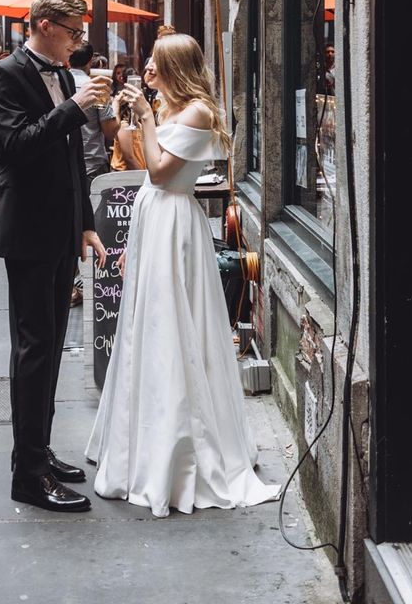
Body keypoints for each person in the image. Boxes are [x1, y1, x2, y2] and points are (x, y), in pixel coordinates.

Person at [86, 34, 280, 517]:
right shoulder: (170, 108)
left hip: (174, 223)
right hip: (154, 221)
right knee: (146, 329)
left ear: (174, 67)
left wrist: (147, 119)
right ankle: (141, 441)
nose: (146, 68)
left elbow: (157, 173)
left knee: (173, 326)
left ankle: (181, 450)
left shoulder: (194, 112)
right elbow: (135, 158)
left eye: (154, 62)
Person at [0, 0, 108, 514]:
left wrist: (85, 222)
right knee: (34, 348)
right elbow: (14, 147)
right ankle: (28, 475)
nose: (78, 42)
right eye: (73, 31)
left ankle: (37, 450)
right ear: (42, 23)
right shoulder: (3, 74)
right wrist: (77, 107)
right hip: (29, 230)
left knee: (53, 344)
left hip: (61, 228)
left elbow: (70, 157)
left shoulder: (61, 73)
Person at [68, 41, 118, 190]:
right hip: (92, 165)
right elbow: (110, 131)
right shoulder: (97, 88)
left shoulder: (56, 83)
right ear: (90, 61)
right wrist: (116, 106)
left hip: (63, 164)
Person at [109, 96, 145, 171]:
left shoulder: (139, 125)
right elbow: (129, 158)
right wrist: (142, 176)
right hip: (124, 173)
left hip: (139, 171)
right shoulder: (124, 126)